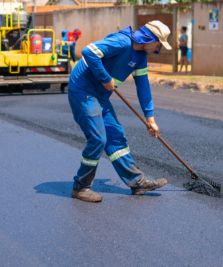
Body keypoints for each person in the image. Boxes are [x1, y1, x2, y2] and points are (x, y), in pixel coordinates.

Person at [67, 21, 172, 202]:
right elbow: (89, 52)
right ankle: (81, 187)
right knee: (98, 138)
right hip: (83, 90)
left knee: (116, 135)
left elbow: (143, 86)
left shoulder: (141, 56)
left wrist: (150, 119)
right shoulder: (121, 42)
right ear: (149, 38)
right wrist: (105, 77)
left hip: (101, 95)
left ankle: (136, 182)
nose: (158, 49)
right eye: (159, 44)